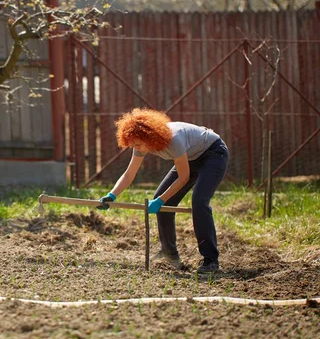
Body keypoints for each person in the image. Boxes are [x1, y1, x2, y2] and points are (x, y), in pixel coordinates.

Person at [98, 108, 229, 273]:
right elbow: (129, 174)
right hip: (191, 157)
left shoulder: (174, 139)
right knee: (162, 201)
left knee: (199, 202)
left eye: (137, 144)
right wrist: (112, 195)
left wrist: (161, 200)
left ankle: (211, 260)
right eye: (132, 145)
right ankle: (170, 253)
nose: (136, 148)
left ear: (149, 136)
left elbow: (184, 177)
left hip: (213, 154)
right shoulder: (140, 145)